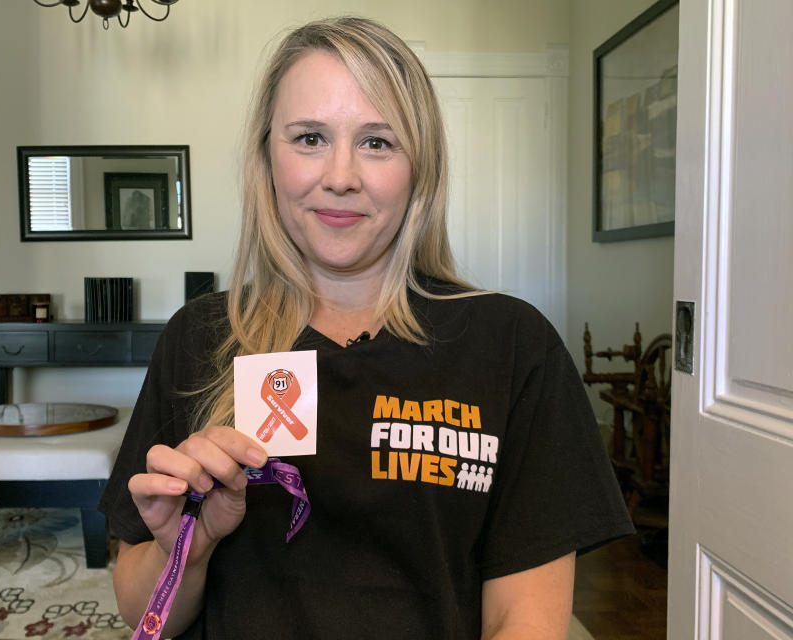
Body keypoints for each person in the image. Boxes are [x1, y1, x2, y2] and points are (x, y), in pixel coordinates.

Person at [100, 16, 634, 640]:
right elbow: (144, 620)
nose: (341, 175)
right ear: (266, 156)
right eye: (309, 138)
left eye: (378, 142)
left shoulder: (513, 346)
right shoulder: (198, 337)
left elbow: (526, 621)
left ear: (420, 168)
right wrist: (183, 550)